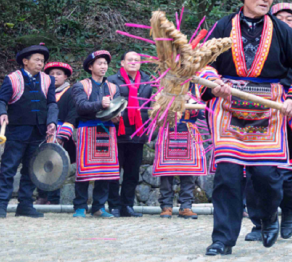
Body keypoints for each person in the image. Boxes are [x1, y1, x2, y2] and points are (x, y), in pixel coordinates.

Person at [199, 0, 292, 256]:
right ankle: (222, 239)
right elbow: (203, 62)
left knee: (266, 175)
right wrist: (213, 82)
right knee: (227, 176)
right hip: (228, 109)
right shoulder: (222, 26)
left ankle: (268, 216)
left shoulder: (281, 30)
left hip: (269, 112)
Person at [245, 2, 292, 242]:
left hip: (291, 114)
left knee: (286, 172)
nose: (284, 22)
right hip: (258, 113)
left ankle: (288, 212)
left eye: (290, 19)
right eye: (279, 18)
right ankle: (260, 223)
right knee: (254, 170)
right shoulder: (257, 47)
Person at [0, 45, 58, 218]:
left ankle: (25, 205)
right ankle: (0, 206)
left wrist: (51, 121)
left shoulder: (47, 80)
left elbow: (52, 103)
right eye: (37, 59)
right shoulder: (12, 79)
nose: (40, 63)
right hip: (16, 131)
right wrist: (2, 113)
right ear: (25, 61)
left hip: (38, 132)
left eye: (42, 61)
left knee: (31, 169)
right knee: (8, 169)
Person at [71, 50, 122, 218]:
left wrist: (117, 118)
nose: (103, 66)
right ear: (90, 66)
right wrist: (100, 104)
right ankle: (80, 206)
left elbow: (118, 108)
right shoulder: (81, 85)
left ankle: (99, 207)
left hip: (108, 130)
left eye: (105, 64)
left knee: (105, 171)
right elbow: (80, 106)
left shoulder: (114, 88)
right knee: (84, 171)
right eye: (99, 63)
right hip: (87, 130)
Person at [106, 51, 153, 217]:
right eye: (130, 60)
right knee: (114, 171)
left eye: (137, 60)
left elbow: (152, 104)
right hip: (118, 131)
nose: (133, 62)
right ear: (122, 63)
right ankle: (114, 205)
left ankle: (128, 205)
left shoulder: (148, 81)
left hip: (138, 132)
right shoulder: (112, 80)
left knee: (132, 172)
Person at [154, 82, 207, 219]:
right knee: (166, 172)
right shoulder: (165, 87)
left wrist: (191, 101)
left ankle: (186, 206)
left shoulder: (196, 88)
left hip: (189, 129)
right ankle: (166, 206)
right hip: (168, 130)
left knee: (189, 172)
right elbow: (156, 112)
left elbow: (202, 114)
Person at [36, 61, 76, 205]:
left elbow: (73, 113)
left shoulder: (71, 92)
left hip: (60, 133)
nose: (54, 77)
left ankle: (53, 198)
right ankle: (42, 195)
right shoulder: (43, 92)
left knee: (55, 165)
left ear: (66, 76)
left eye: (58, 74)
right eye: (51, 74)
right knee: (40, 163)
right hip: (43, 132)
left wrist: (62, 136)